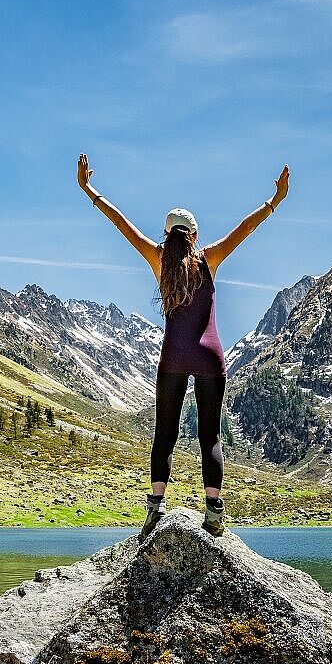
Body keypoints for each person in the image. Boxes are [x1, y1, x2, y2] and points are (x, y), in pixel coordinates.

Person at [78, 153, 289, 537]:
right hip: (210, 355)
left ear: (166, 234)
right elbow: (244, 229)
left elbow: (121, 224)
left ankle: (155, 507)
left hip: (173, 356)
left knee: (165, 434)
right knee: (210, 435)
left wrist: (89, 190)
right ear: (192, 235)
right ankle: (214, 512)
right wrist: (274, 201)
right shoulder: (209, 258)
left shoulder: (158, 258)